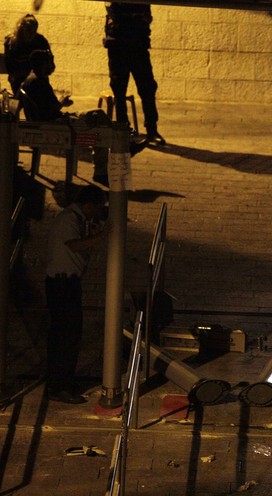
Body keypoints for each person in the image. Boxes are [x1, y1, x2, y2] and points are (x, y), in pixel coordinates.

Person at [20, 50, 147, 186]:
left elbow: (41, 105)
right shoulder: (38, 81)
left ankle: (118, 152)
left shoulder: (31, 79)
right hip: (57, 125)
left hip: (56, 121)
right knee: (98, 121)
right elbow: (52, 109)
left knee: (99, 123)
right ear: (43, 64)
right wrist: (62, 101)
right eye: (50, 62)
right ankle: (120, 150)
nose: (53, 65)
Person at [44, 185, 109, 404]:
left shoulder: (77, 219)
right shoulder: (68, 220)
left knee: (68, 336)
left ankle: (62, 381)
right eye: (98, 208)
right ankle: (59, 386)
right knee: (66, 336)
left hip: (66, 283)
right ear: (88, 205)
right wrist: (103, 235)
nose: (99, 212)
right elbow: (74, 245)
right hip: (62, 284)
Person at [103, 2, 165, 145]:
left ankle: (151, 130)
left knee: (147, 87)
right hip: (118, 43)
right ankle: (123, 130)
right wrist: (134, 17)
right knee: (119, 88)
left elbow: (147, 16)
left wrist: (132, 17)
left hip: (137, 44)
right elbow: (113, 10)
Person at [3, 14, 50, 94]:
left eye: (34, 30)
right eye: (28, 30)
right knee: (31, 86)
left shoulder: (40, 40)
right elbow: (10, 67)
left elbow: (49, 64)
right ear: (22, 29)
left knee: (39, 84)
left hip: (37, 78)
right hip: (18, 78)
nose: (31, 34)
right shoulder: (12, 42)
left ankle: (51, 103)